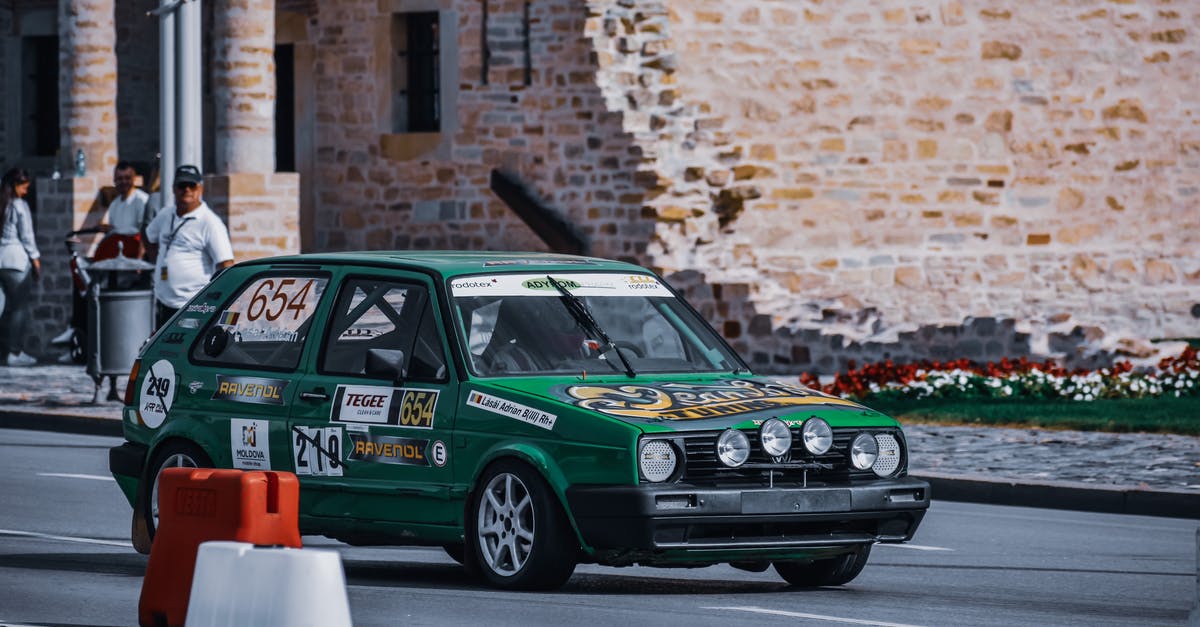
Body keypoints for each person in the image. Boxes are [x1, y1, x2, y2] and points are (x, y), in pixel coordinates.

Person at [145, 165, 234, 328]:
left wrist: (216, 301)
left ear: (200, 189)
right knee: (163, 351)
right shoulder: (166, 214)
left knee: (183, 350)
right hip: (163, 302)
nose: (186, 190)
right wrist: (157, 261)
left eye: (192, 185)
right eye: (182, 185)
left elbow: (226, 264)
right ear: (174, 189)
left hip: (193, 305)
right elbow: (149, 235)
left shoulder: (210, 222)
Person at [0, 167, 42, 366]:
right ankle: (14, 352)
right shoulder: (19, 205)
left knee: (4, 309)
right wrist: (35, 260)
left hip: (1, 260)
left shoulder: (2, 203)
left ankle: (4, 350)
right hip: (16, 261)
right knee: (19, 309)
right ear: (16, 186)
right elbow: (27, 236)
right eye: (24, 188)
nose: (26, 192)